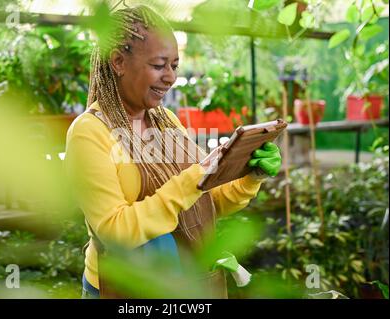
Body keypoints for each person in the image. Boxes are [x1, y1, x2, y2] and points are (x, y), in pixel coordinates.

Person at [64, 4, 282, 299]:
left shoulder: (167, 122)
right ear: (118, 61)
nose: (170, 77)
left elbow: (208, 202)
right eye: (158, 65)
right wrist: (191, 180)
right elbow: (115, 232)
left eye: (174, 66)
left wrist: (249, 177)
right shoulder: (89, 133)